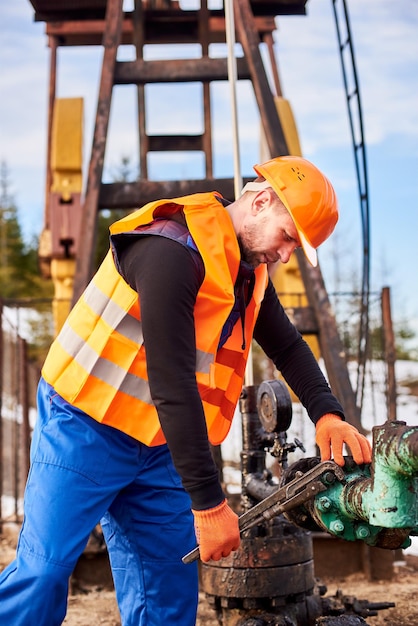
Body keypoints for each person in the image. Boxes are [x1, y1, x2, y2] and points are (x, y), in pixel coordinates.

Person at [0, 155, 372, 626]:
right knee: (43, 573)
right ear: (260, 202)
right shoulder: (170, 250)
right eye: (288, 237)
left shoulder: (246, 271)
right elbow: (171, 381)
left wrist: (327, 414)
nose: (285, 255)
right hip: (85, 425)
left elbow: (288, 344)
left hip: (158, 444)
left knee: (166, 596)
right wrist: (208, 502)